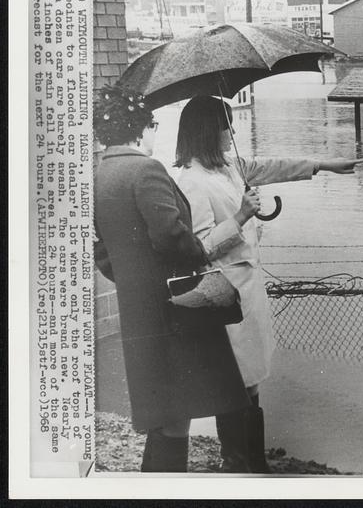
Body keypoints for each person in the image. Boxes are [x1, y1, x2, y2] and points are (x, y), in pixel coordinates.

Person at [174, 95, 363, 473]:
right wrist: (242, 215)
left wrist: (323, 165)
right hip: (226, 297)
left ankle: (252, 462)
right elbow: (199, 248)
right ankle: (241, 463)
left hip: (248, 293)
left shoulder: (229, 167)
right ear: (207, 131)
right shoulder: (191, 182)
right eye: (226, 125)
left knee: (253, 379)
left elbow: (271, 166)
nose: (232, 132)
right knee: (237, 381)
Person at [93, 86, 250, 472]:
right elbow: (170, 236)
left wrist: (134, 278)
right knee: (179, 412)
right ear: (139, 128)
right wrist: (201, 252)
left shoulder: (99, 173)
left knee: (166, 412)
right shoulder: (146, 170)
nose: (153, 132)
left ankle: (156, 487)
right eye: (152, 125)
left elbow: (101, 251)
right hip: (173, 311)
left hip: (139, 307)